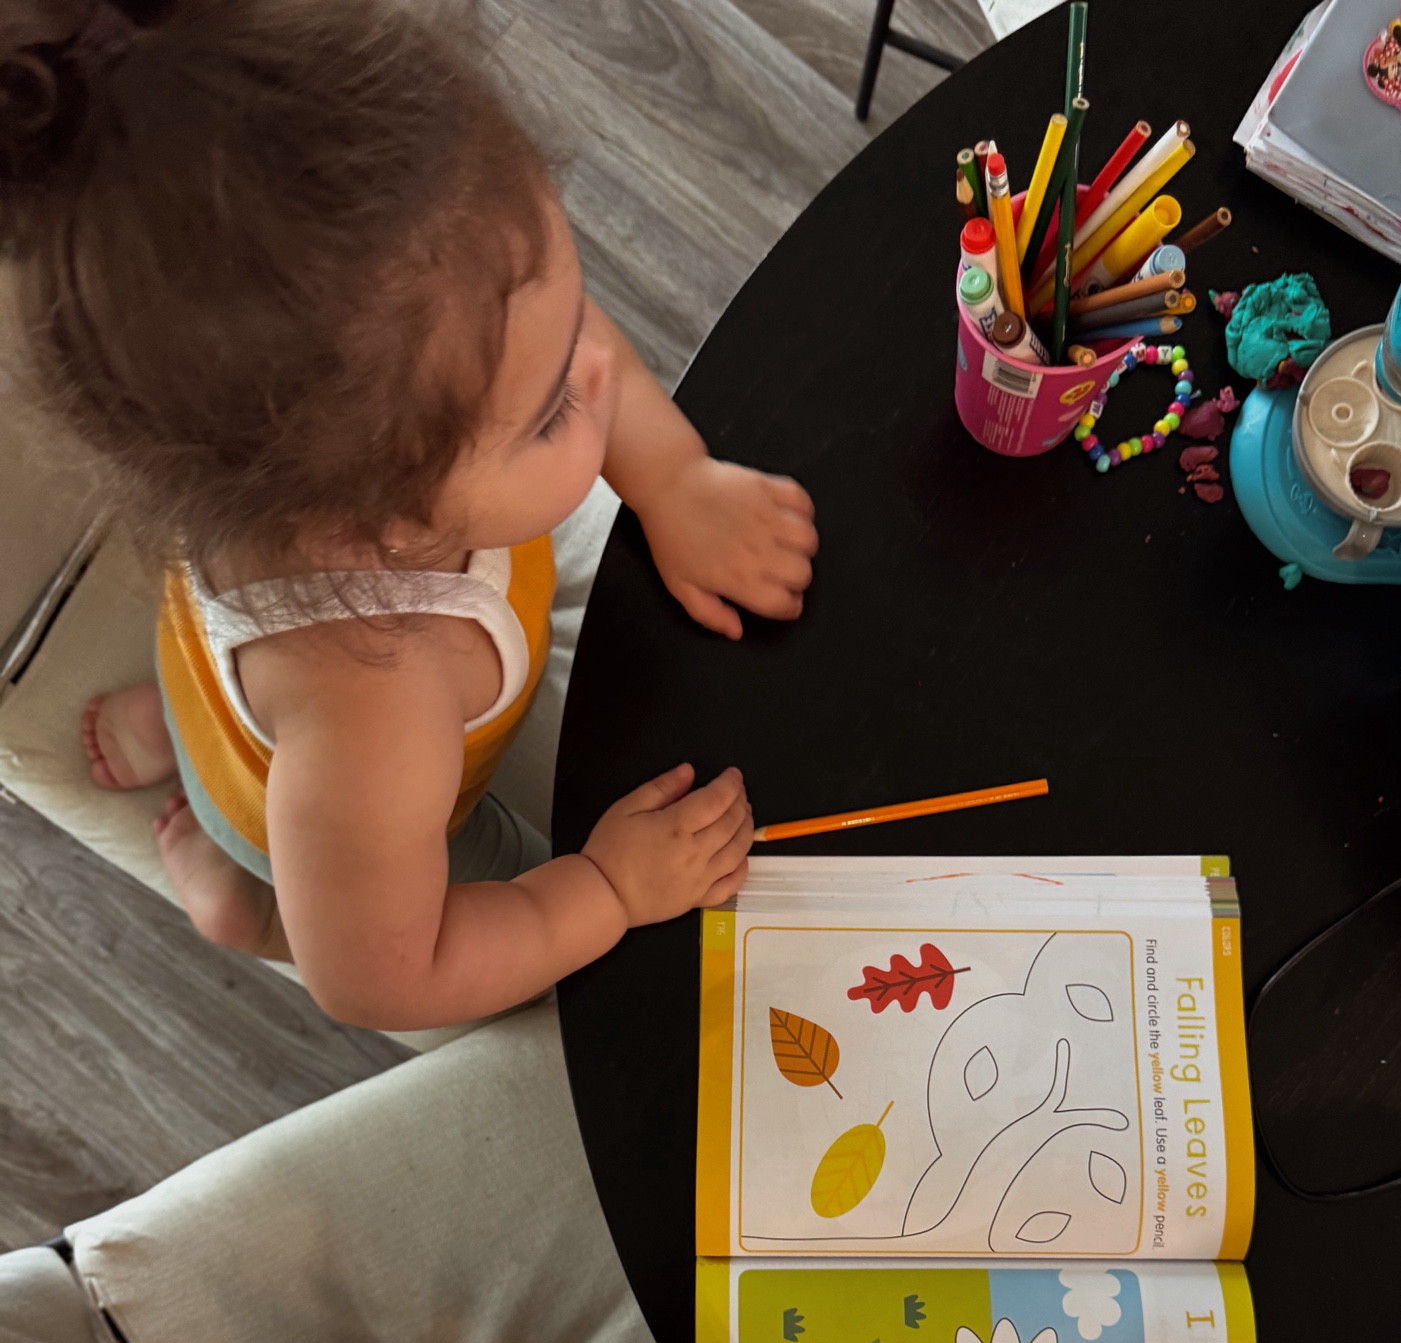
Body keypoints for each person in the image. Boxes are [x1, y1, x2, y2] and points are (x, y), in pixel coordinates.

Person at [0, 0, 819, 1029]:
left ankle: (182, 724)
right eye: (555, 407)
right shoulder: (374, 728)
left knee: (224, 704)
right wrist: (602, 890)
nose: (605, 374)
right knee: (456, 916)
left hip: (232, 664)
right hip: (348, 821)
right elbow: (381, 977)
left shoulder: (376, 386)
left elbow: (548, 336)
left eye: (569, 320)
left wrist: (676, 478)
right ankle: (243, 902)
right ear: (365, 522)